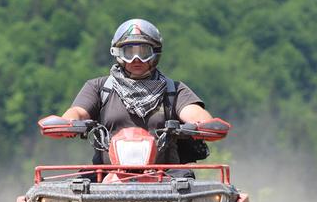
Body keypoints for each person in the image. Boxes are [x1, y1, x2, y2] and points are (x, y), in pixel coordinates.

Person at [61, 18, 222, 165]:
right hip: (105, 176)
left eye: (143, 52)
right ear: (118, 54)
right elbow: (78, 112)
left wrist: (205, 125)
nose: (136, 59)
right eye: (129, 52)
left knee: (204, 194)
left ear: (155, 54)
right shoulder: (99, 87)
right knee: (69, 194)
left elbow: (195, 113)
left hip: (167, 179)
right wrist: (67, 122)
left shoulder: (174, 90)